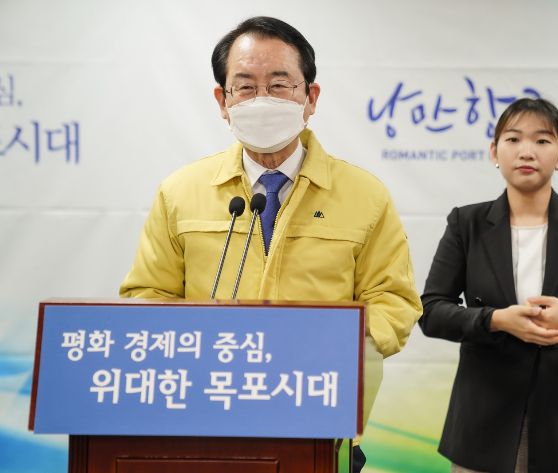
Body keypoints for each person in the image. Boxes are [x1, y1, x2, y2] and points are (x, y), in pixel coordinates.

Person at [119, 16, 422, 472]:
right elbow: (148, 296)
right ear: (222, 101)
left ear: (310, 98)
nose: (261, 99)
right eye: (245, 86)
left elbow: (393, 301)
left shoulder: (365, 195)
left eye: (279, 85)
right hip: (205, 423)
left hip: (320, 427)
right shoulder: (180, 192)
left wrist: (330, 349)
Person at [418, 98, 558, 473]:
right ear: (495, 151)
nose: (527, 151)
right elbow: (431, 312)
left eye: (542, 140)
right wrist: (495, 320)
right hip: (484, 422)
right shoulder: (466, 224)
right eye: (513, 139)